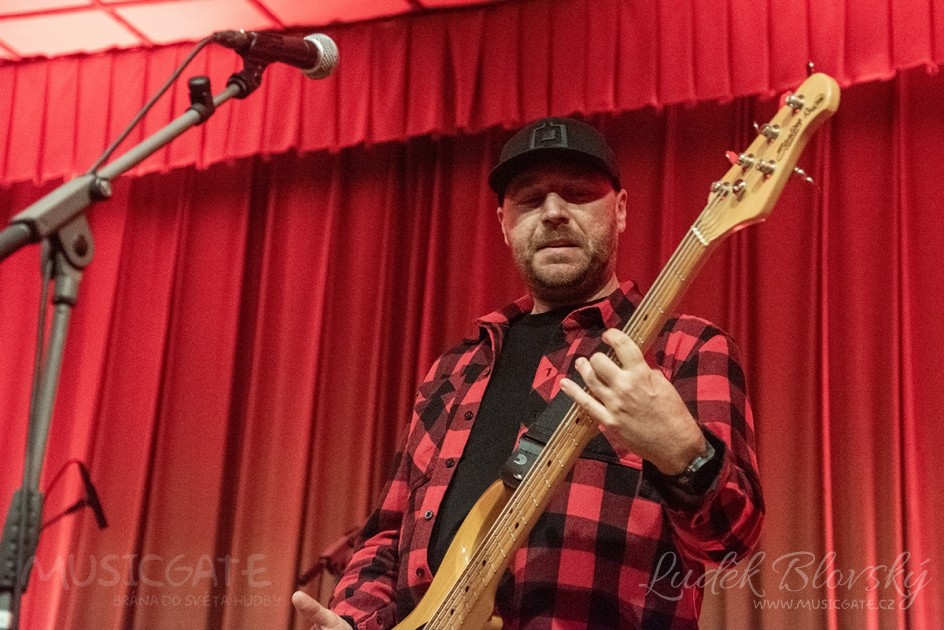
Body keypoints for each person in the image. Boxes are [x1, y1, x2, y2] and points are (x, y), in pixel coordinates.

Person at [292, 117, 764, 629]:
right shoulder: (454, 370)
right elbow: (387, 535)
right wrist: (353, 619)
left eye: (578, 193)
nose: (554, 212)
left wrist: (685, 455)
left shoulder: (684, 348)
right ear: (504, 223)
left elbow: (731, 540)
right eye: (530, 199)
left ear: (621, 210)